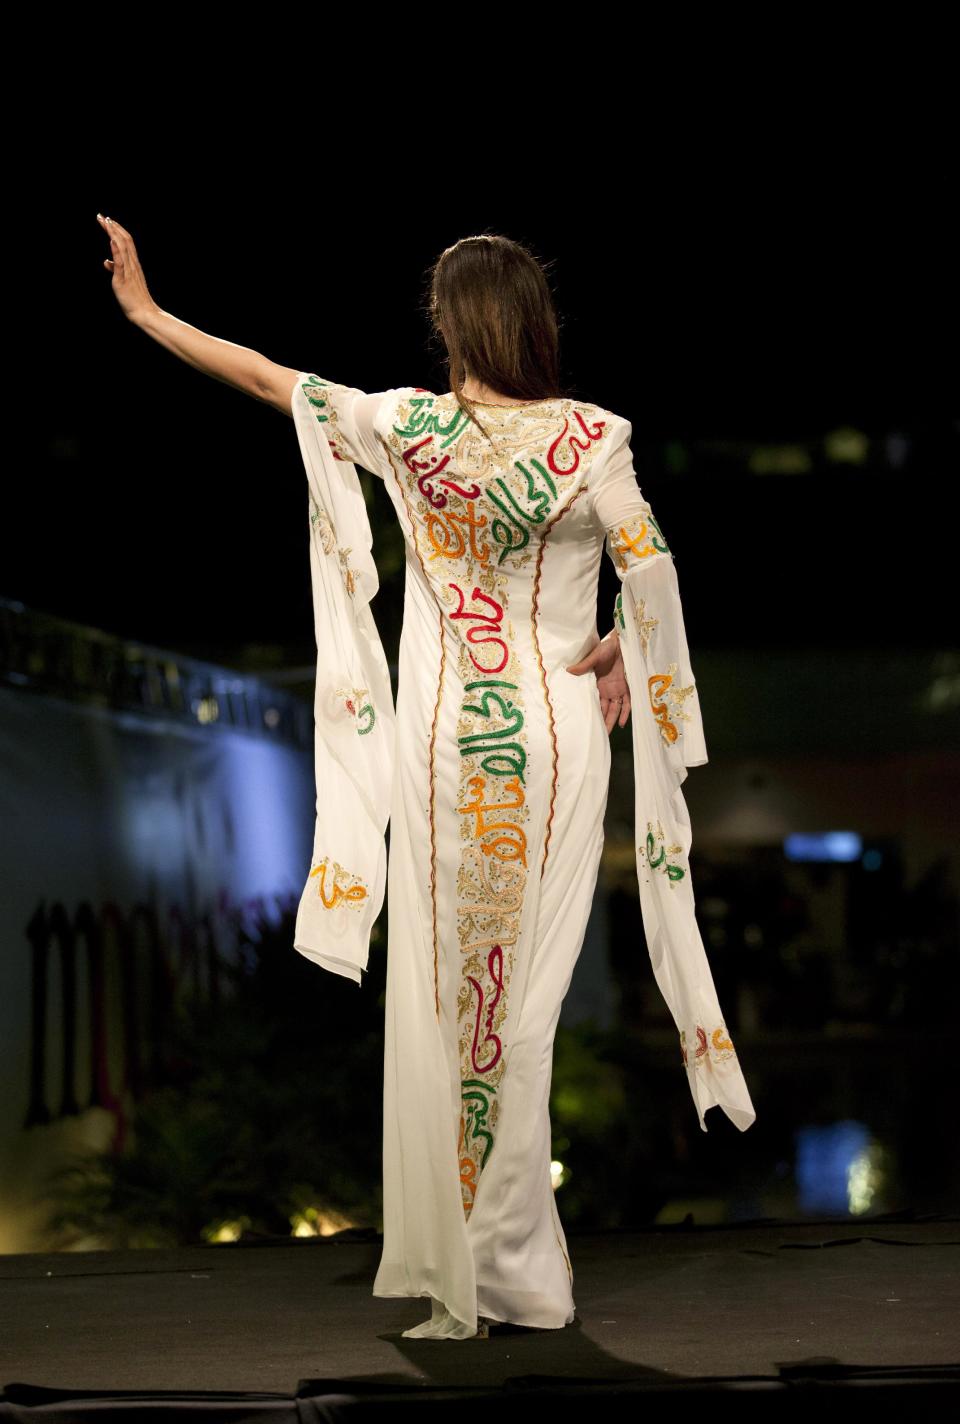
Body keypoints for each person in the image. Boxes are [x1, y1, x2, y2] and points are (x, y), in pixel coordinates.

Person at [96, 217, 756, 1341]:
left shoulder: (405, 426)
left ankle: (488, 1264)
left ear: (449, 325)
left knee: (457, 1002)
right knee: (525, 1001)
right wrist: (625, 649)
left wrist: (151, 316)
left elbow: (265, 378)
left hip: (447, 741)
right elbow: (650, 565)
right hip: (549, 748)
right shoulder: (593, 438)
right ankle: (514, 1267)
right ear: (535, 322)